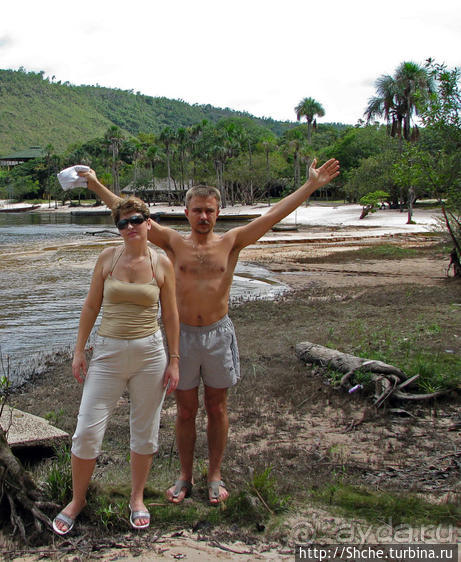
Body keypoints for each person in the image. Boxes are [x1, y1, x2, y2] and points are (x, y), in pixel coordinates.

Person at [78, 158, 340, 506]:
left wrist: (310, 186)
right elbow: (128, 214)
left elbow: (271, 216)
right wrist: (95, 184)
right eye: (197, 210)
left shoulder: (232, 241)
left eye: (210, 211)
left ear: (218, 213)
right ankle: (185, 476)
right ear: (185, 212)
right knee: (185, 411)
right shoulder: (172, 243)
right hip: (182, 336)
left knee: (217, 408)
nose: (204, 217)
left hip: (218, 334)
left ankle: (214, 474)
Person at [52, 196, 180, 535]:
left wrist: (175, 361)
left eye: (135, 220)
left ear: (149, 222)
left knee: (145, 429)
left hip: (151, 355)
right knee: (87, 430)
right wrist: (79, 350)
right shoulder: (107, 258)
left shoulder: (162, 263)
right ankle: (78, 499)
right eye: (122, 223)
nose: (129, 227)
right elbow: (92, 304)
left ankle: (137, 498)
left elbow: (170, 316)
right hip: (107, 353)